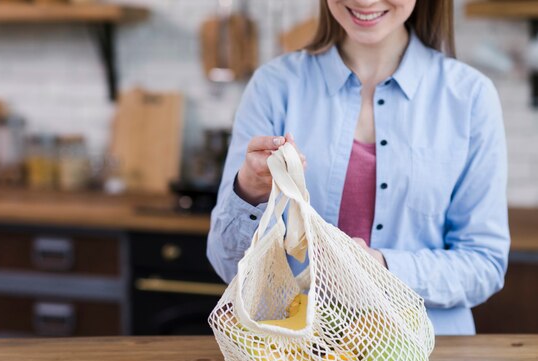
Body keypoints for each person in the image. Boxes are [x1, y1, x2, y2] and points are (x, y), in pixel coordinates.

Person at [207, 0, 510, 335]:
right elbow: (229, 266)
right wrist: (250, 190)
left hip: (435, 360)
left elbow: (485, 264)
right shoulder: (273, 87)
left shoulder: (471, 96)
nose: (365, 1)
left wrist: (382, 268)